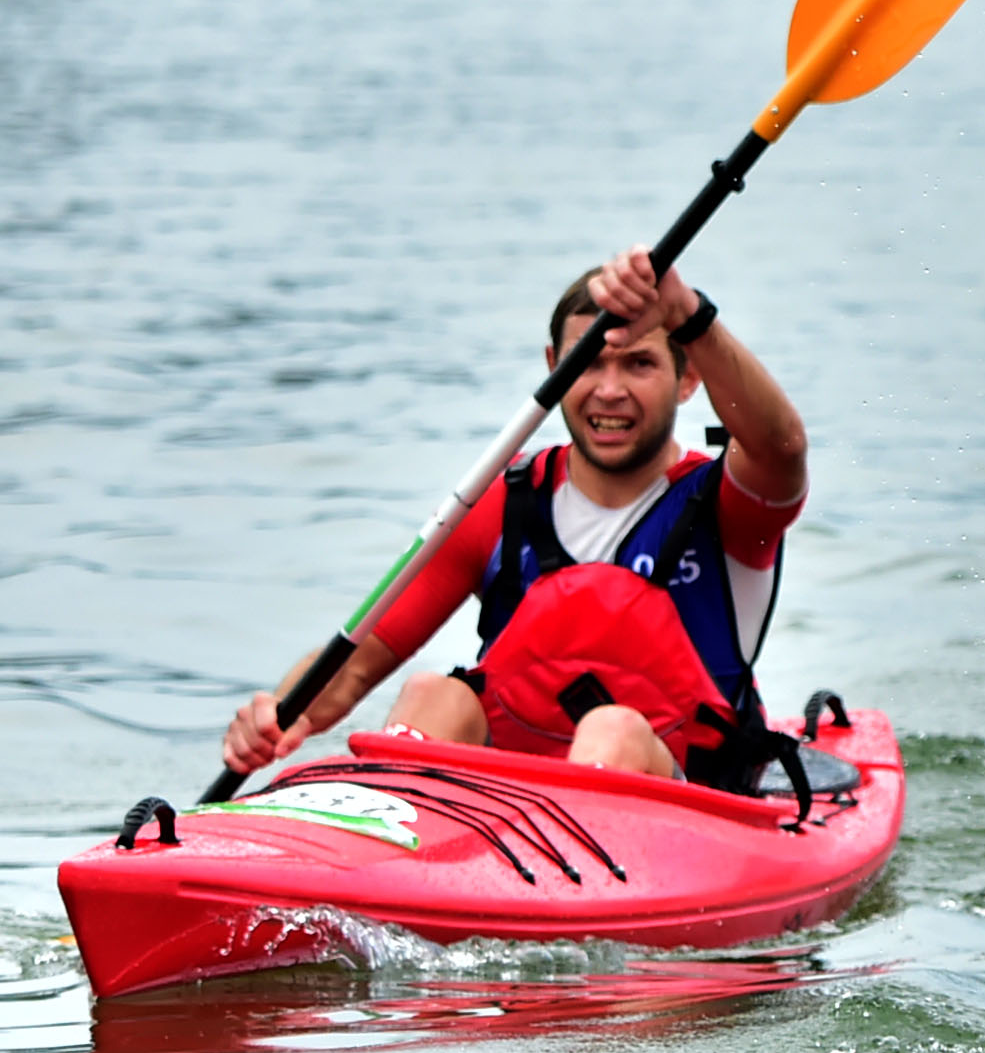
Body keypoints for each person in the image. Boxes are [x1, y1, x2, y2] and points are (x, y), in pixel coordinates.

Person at [221, 248, 808, 786]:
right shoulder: (501, 502)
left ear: (688, 379)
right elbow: (353, 664)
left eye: (639, 365)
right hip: (510, 814)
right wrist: (279, 713)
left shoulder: (730, 506)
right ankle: (389, 848)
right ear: (554, 367)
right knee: (433, 695)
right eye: (589, 363)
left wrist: (685, 313)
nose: (609, 390)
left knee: (613, 731)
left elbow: (780, 447)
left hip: (686, 805)